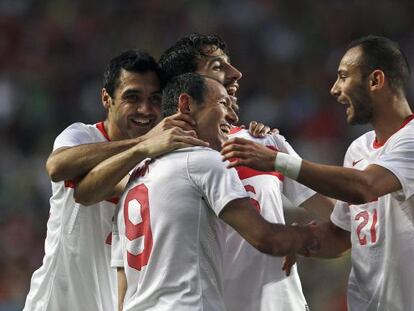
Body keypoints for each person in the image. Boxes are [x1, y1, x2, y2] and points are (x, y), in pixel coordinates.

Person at [221, 35, 414, 311]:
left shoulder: (411, 140)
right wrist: (297, 239)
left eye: (344, 76)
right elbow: (340, 237)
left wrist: (279, 161)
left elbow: (366, 187)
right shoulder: (358, 149)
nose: (335, 89)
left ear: (375, 81)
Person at [112, 73, 319, 311]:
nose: (232, 115)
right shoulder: (205, 161)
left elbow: (123, 283)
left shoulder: (134, 179)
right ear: (186, 104)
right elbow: (266, 239)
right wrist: (304, 237)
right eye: (222, 103)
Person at [159, 33, 334, 311]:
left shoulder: (265, 143)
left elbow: (336, 214)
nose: (236, 73)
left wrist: (301, 238)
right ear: (187, 88)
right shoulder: (158, 166)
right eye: (218, 67)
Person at [23, 50, 207, 311]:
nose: (145, 109)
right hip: (58, 302)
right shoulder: (81, 137)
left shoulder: (164, 157)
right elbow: (56, 167)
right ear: (106, 98)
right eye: (132, 97)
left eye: (154, 99)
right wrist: (143, 143)